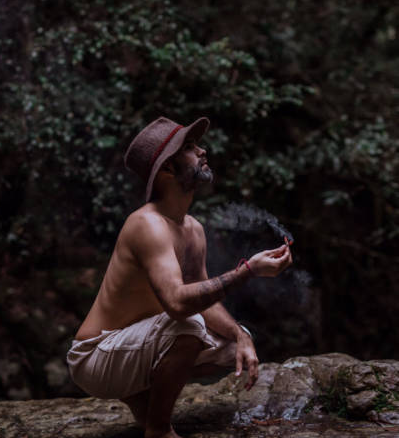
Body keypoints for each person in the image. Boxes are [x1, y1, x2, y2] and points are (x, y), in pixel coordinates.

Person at [66, 116, 292, 438]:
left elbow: (202, 299)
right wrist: (248, 271)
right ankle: (159, 430)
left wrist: (241, 335)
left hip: (132, 347)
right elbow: (177, 303)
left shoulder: (192, 229)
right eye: (189, 147)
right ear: (168, 170)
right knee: (188, 325)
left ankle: (141, 399)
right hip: (96, 355)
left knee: (232, 344)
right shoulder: (148, 225)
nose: (203, 151)